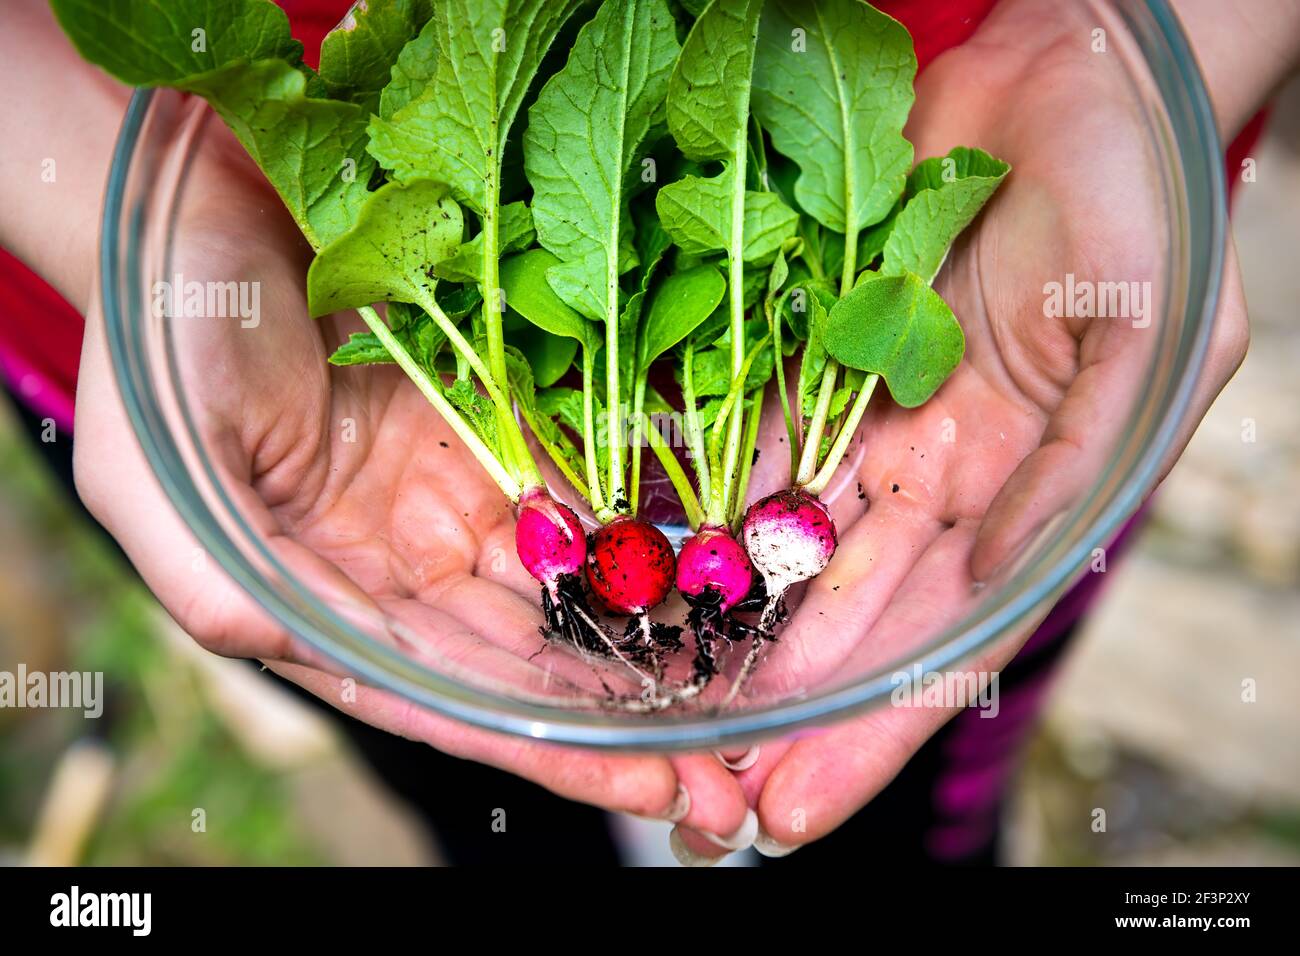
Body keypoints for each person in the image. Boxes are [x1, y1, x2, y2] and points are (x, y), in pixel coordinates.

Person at [0, 0, 1294, 866]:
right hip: (239, 329)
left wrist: (1128, 51)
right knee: (501, 806)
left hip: (992, 300)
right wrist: (145, 236)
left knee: (914, 786)